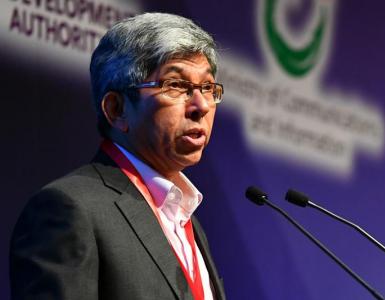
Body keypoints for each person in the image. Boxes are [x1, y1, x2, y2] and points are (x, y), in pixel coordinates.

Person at [10, 12, 226, 300]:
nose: (200, 105)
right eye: (175, 85)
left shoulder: (186, 220)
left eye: (208, 87)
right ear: (117, 109)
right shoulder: (70, 210)